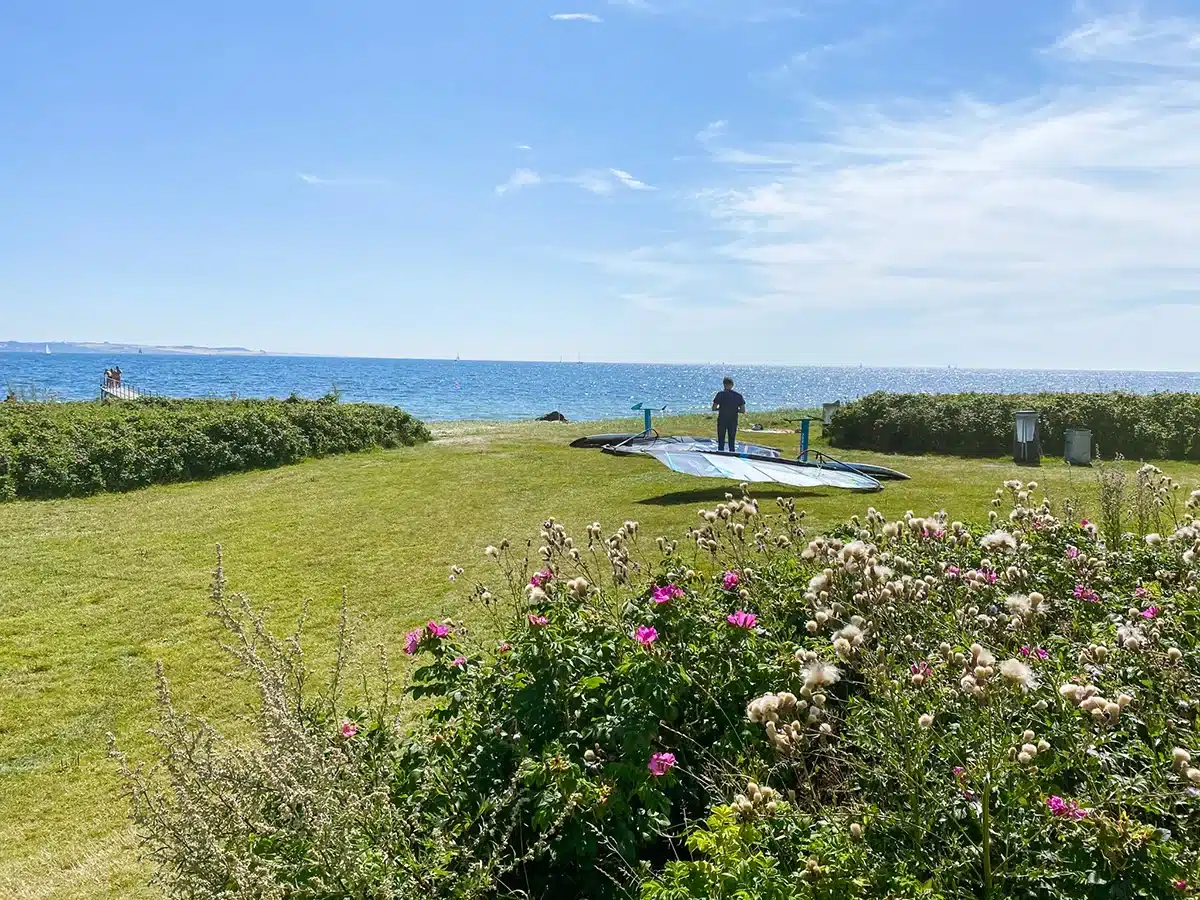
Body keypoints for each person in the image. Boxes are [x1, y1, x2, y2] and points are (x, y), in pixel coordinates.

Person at [712, 376, 745, 452]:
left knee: (721, 440)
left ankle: (721, 454)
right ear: (732, 385)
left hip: (722, 419)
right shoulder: (738, 396)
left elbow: (713, 408)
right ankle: (732, 454)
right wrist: (735, 410)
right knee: (731, 440)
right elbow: (742, 410)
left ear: (724, 384)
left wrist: (720, 408)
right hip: (733, 419)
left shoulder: (720, 394)